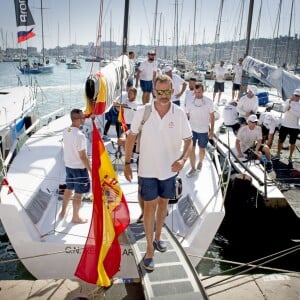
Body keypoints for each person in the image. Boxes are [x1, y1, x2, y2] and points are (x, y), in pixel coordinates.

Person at [124, 74, 192, 271]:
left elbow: (188, 140)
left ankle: (159, 236)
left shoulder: (178, 113)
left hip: (169, 171)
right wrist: (127, 163)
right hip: (147, 169)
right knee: (149, 207)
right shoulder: (142, 111)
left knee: (163, 203)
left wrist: (183, 159)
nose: (163, 95)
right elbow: (131, 137)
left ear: (173, 91)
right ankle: (149, 250)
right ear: (154, 91)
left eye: (167, 91)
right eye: (160, 91)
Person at [59, 109, 91, 223]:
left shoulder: (66, 131)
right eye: (82, 117)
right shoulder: (80, 135)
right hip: (79, 169)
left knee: (68, 189)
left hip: (69, 166)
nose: (84, 119)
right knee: (78, 194)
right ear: (77, 120)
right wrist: (90, 170)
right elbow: (83, 156)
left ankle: (62, 212)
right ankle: (75, 217)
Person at [185, 83, 215, 177]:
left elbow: (212, 116)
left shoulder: (209, 101)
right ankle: (193, 168)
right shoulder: (189, 101)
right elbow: (186, 115)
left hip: (203, 130)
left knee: (202, 149)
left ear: (203, 91)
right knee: (191, 149)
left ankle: (200, 162)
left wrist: (212, 130)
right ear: (194, 91)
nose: (198, 94)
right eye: (196, 92)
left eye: (200, 92)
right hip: (191, 129)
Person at [273, 88, 300, 162]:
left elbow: (298, 115)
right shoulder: (288, 101)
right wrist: (290, 103)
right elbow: (284, 110)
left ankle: (290, 156)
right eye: (295, 95)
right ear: (293, 95)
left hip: (295, 127)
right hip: (285, 124)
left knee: (292, 143)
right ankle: (278, 154)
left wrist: (290, 109)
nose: (297, 97)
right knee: (280, 140)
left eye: (298, 96)